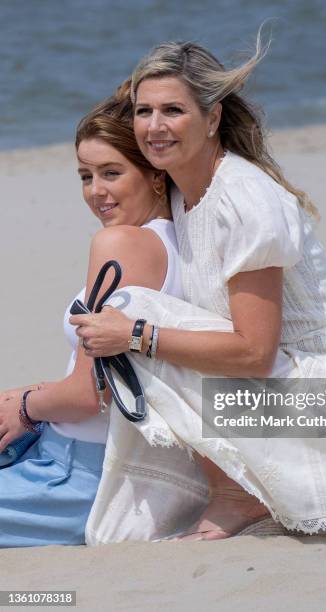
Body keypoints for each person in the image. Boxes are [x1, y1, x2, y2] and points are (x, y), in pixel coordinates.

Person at [71, 35, 326, 542]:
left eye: (173, 110)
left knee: (131, 311)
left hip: (323, 391)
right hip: (273, 384)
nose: (154, 126)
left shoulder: (244, 198)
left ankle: (236, 495)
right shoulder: (186, 192)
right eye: (144, 111)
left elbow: (254, 352)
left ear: (212, 118)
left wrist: (135, 334)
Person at [0, 90, 207, 548]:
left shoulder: (122, 245)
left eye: (112, 173)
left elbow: (91, 395)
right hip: (63, 456)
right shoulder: (181, 242)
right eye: (85, 175)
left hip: (73, 478)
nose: (96, 192)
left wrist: (24, 404)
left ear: (156, 175)